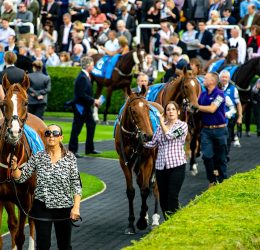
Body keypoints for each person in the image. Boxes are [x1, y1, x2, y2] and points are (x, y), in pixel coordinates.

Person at [10, 124, 82, 250]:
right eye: (48, 133)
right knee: (43, 245)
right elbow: (21, 177)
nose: (51, 136)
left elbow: (76, 184)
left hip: (64, 208)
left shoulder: (70, 158)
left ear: (61, 137)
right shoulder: (38, 156)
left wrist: (76, 208)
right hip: (42, 207)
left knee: (64, 246)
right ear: (44, 137)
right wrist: (15, 166)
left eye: (55, 133)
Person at [144, 101, 188, 219]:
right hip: (160, 167)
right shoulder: (159, 128)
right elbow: (153, 143)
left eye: (173, 109)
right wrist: (140, 143)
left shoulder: (182, 126)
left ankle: (175, 221)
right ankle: (168, 221)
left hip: (177, 166)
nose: (171, 112)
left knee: (172, 196)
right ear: (165, 113)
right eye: (168, 109)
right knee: (162, 197)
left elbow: (169, 135)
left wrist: (161, 121)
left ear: (178, 112)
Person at [195, 72, 228, 187]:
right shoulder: (202, 95)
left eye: (206, 78)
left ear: (213, 81)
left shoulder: (220, 94)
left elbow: (212, 109)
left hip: (220, 130)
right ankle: (212, 180)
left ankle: (223, 181)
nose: (204, 79)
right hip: (206, 131)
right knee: (207, 156)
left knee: (221, 158)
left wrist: (197, 106)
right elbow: (195, 109)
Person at [68, 56, 101, 158]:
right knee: (76, 129)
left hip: (86, 107)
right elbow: (81, 94)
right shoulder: (82, 77)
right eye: (92, 64)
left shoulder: (85, 76)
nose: (93, 66)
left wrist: (92, 102)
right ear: (88, 65)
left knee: (91, 125)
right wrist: (93, 100)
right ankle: (72, 150)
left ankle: (89, 149)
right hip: (80, 108)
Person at [219, 70, 243, 152]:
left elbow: (238, 104)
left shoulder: (233, 89)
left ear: (229, 78)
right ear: (219, 78)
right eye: (222, 77)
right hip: (217, 118)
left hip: (229, 117)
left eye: (226, 77)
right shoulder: (215, 88)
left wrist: (240, 116)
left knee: (228, 137)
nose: (224, 79)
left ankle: (226, 154)